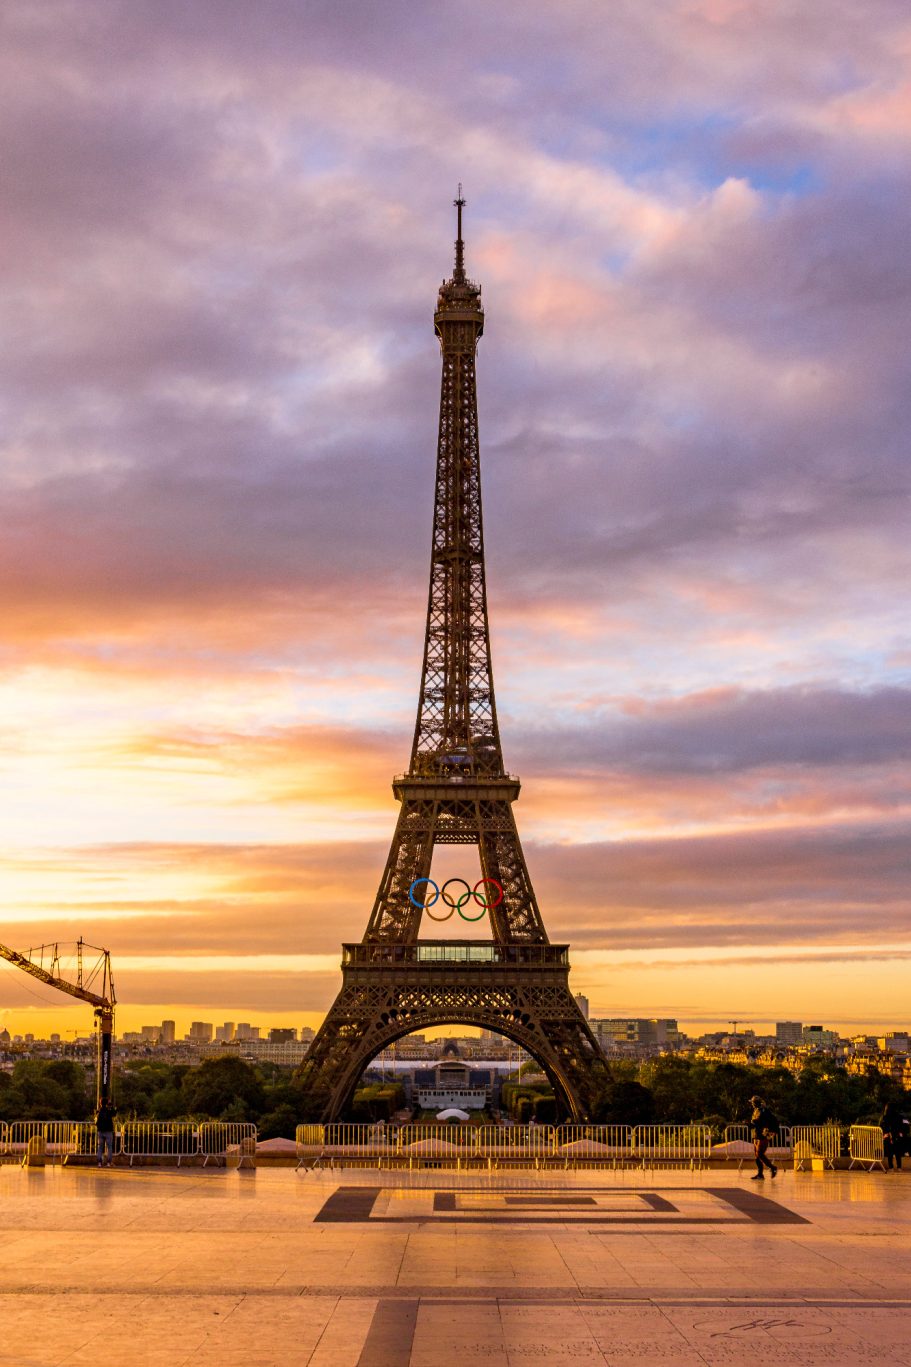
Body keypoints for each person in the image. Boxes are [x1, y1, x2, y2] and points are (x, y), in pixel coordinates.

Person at [749, 1094, 778, 1181]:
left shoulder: (764, 1111)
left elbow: (762, 1122)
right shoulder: (756, 1110)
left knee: (760, 1154)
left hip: (763, 1135)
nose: (752, 1104)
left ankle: (773, 1168)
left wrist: (754, 1121)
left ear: (755, 1103)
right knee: (757, 1156)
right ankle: (760, 1174)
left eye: (753, 1103)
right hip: (756, 1135)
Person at [880, 1102, 905, 1171]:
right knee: (898, 1152)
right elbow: (901, 1126)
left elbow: (883, 1126)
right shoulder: (899, 1116)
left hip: (888, 1136)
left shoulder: (885, 1117)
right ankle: (899, 1167)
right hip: (897, 1136)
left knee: (890, 1152)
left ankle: (891, 1167)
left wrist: (885, 1134)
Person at [95, 1101, 115, 1168]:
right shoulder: (109, 1111)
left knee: (100, 1147)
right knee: (109, 1147)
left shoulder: (98, 1112)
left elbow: (96, 1122)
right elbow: (114, 1113)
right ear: (107, 1104)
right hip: (108, 1131)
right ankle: (108, 1163)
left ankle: (99, 1163)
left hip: (100, 1131)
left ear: (100, 1103)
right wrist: (111, 1107)